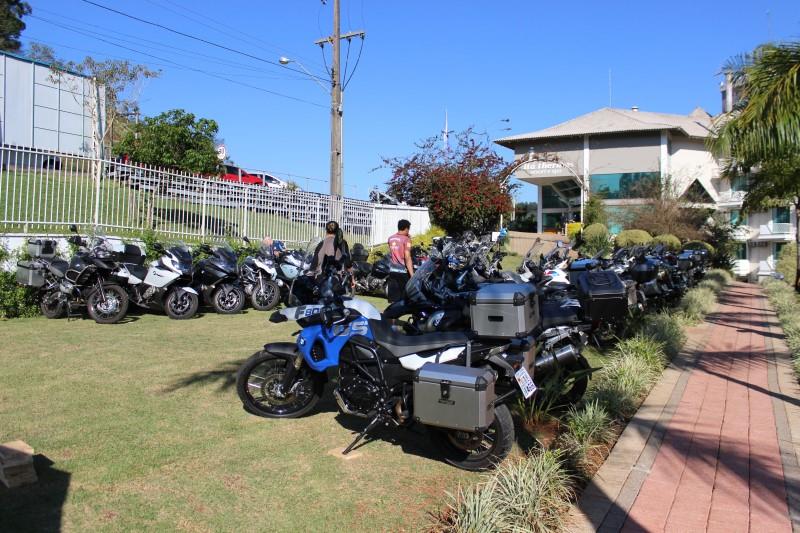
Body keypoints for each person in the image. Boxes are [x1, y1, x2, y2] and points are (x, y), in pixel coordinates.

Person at [386, 219, 414, 302]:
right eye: (408, 229)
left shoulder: (390, 238)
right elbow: (407, 257)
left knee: (393, 299)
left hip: (392, 271)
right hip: (403, 272)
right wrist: (412, 274)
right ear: (406, 228)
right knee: (404, 299)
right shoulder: (406, 239)